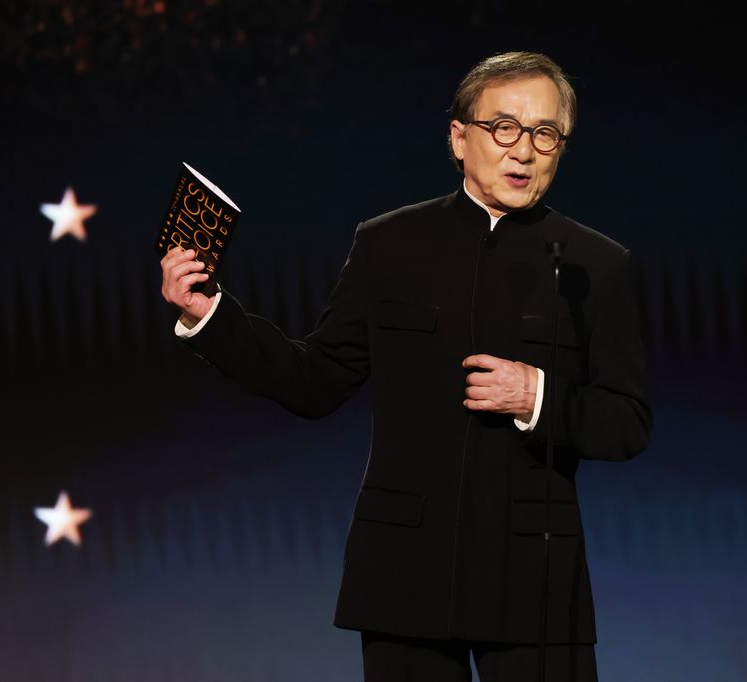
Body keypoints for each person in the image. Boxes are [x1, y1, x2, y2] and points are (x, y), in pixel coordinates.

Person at [160, 51, 651, 682]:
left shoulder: (597, 265)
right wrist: (213, 318)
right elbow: (316, 380)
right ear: (459, 137)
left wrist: (538, 397)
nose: (523, 151)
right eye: (503, 128)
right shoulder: (387, 243)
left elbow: (628, 422)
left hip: (535, 581)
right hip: (404, 571)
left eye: (544, 134)